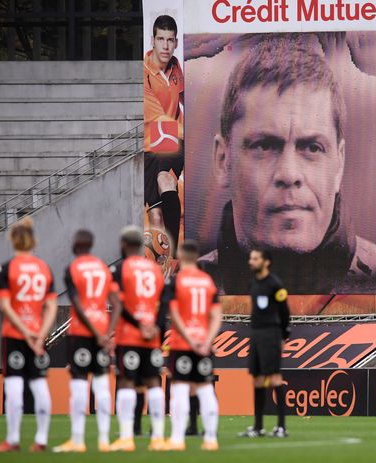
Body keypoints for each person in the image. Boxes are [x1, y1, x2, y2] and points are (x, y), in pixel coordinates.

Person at [199, 34, 376, 294]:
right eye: (264, 146)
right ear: (223, 160)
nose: (289, 174)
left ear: (338, 165)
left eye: (312, 148)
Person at [53, 230, 121, 453]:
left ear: (75, 245)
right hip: (102, 328)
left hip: (82, 332)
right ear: (91, 245)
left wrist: (93, 330)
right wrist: (107, 333)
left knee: (80, 382)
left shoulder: (72, 269)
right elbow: (117, 305)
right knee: (101, 384)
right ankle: (104, 440)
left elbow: (79, 306)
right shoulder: (104, 269)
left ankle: (78, 440)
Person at [0, 218, 58, 452]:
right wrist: (39, 335)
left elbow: (5, 305)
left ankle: (12, 439)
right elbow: (51, 306)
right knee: (40, 385)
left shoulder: (6, 268)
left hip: (15, 335)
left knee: (13, 386)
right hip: (37, 336)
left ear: (13, 240)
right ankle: (41, 439)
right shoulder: (44, 268)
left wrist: (25, 332)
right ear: (33, 240)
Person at [108, 226, 170, 452]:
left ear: (124, 245)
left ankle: (126, 437)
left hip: (130, 336)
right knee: (153, 382)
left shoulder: (119, 269)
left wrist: (139, 326)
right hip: (152, 337)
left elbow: (119, 304)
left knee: (126, 382)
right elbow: (164, 306)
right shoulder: (155, 270)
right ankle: (158, 437)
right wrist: (155, 328)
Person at [165, 240, 221, 451]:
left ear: (180, 254)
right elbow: (216, 315)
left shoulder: (176, 281)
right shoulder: (207, 281)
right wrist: (206, 340)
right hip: (203, 344)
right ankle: (210, 439)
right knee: (205, 388)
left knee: (180, 388)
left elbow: (174, 313)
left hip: (183, 344)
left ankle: (177, 439)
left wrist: (189, 338)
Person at [239, 249, 290, 438]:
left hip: (271, 334)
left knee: (275, 378)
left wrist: (283, 336)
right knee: (257, 379)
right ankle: (258, 427)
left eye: (255, 258)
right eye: (250, 258)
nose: (250, 261)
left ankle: (281, 427)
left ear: (266, 262)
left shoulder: (275, 284)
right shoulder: (253, 283)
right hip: (256, 334)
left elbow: (285, 313)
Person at [144, 14, 184, 251]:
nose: (166, 46)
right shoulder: (144, 73)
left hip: (172, 143)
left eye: (170, 40)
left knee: (166, 180)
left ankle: (175, 258)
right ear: (153, 41)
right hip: (150, 147)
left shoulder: (177, 67)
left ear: (176, 42)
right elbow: (161, 118)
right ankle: (163, 265)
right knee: (155, 218)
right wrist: (192, 131)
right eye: (161, 39)